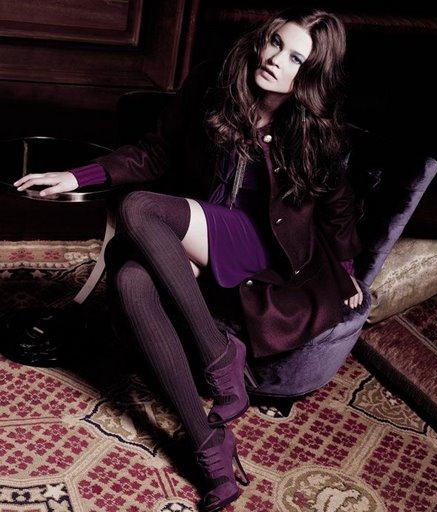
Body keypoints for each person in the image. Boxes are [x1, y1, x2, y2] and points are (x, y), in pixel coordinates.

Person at [14, 7, 364, 511]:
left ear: (310, 75)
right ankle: (207, 446)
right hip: (201, 229)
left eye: (295, 58)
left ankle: (219, 358)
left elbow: (338, 206)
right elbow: (154, 152)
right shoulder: (215, 82)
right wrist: (78, 175)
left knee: (139, 207)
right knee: (130, 278)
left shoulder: (312, 127)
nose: (275, 59)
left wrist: (346, 270)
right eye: (275, 43)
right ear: (263, 38)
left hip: (260, 247)